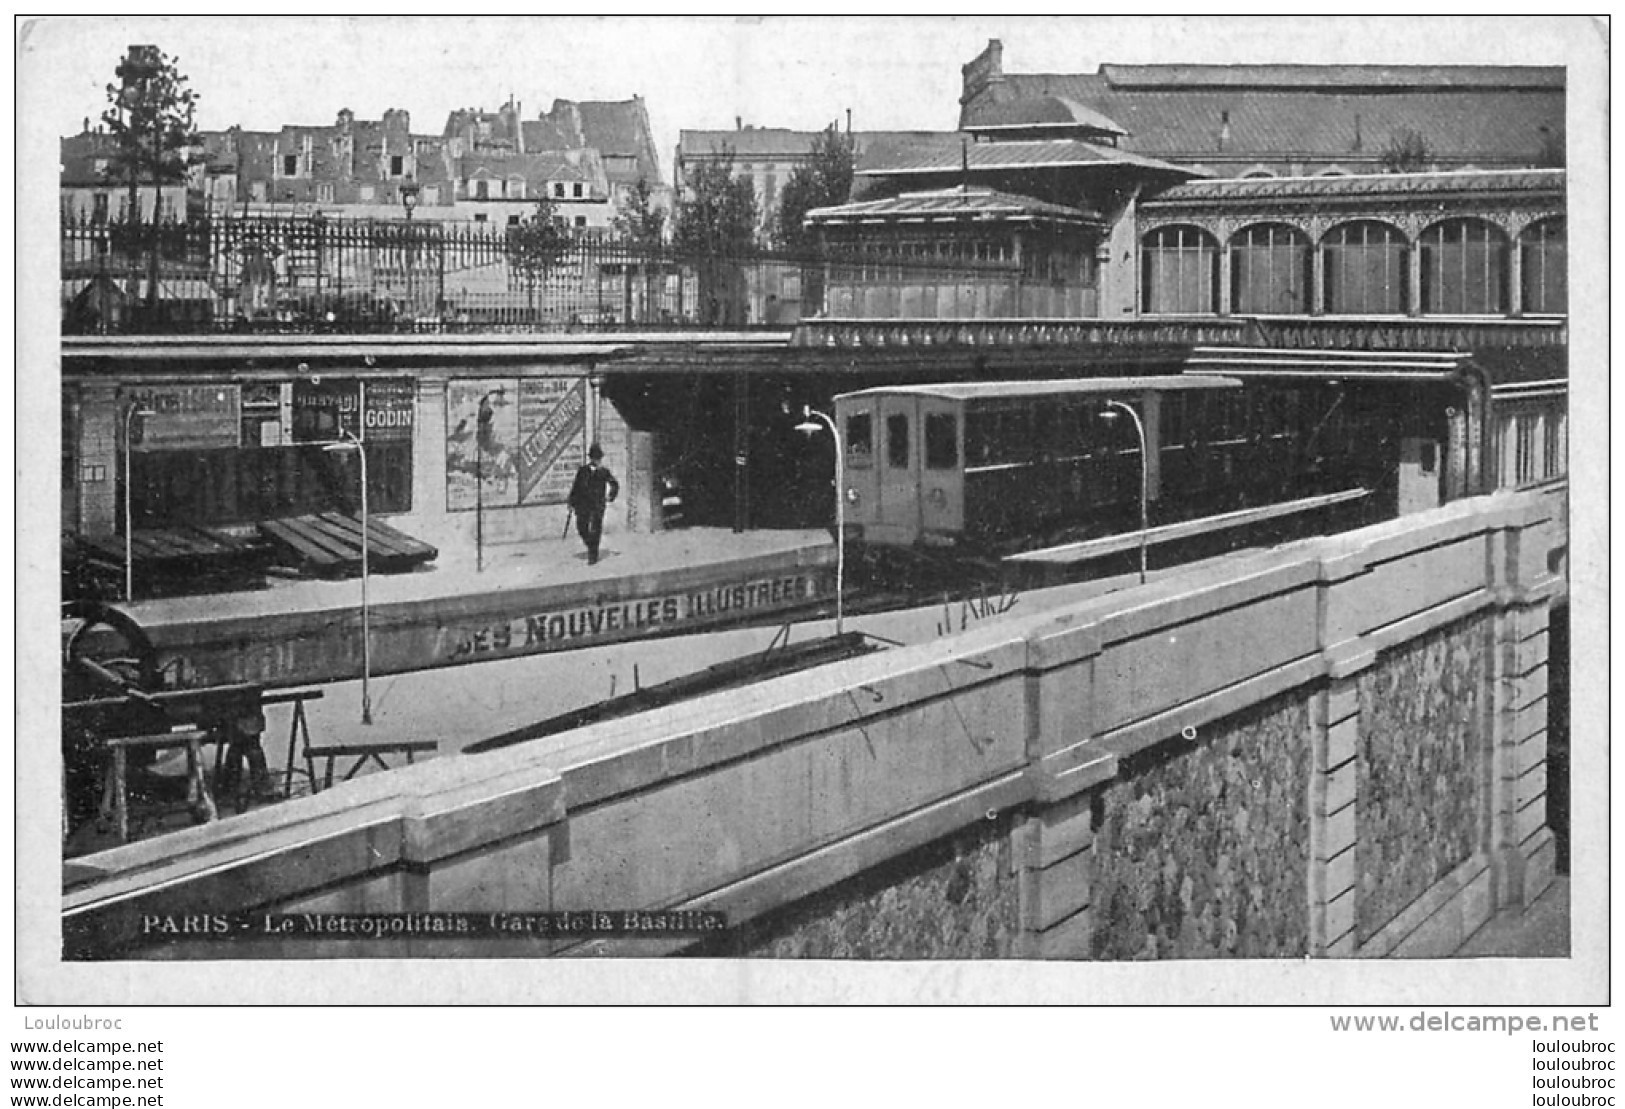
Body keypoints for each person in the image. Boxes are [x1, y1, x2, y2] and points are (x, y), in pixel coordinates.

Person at [568, 443, 619, 564]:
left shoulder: (604, 472)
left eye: (598, 458)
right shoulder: (583, 471)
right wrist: (571, 502)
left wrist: (610, 496)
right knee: (581, 527)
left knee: (596, 529)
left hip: (597, 504)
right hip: (583, 505)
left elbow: (614, 484)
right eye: (594, 458)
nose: (596, 460)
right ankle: (591, 545)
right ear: (590, 458)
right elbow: (575, 487)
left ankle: (593, 555)